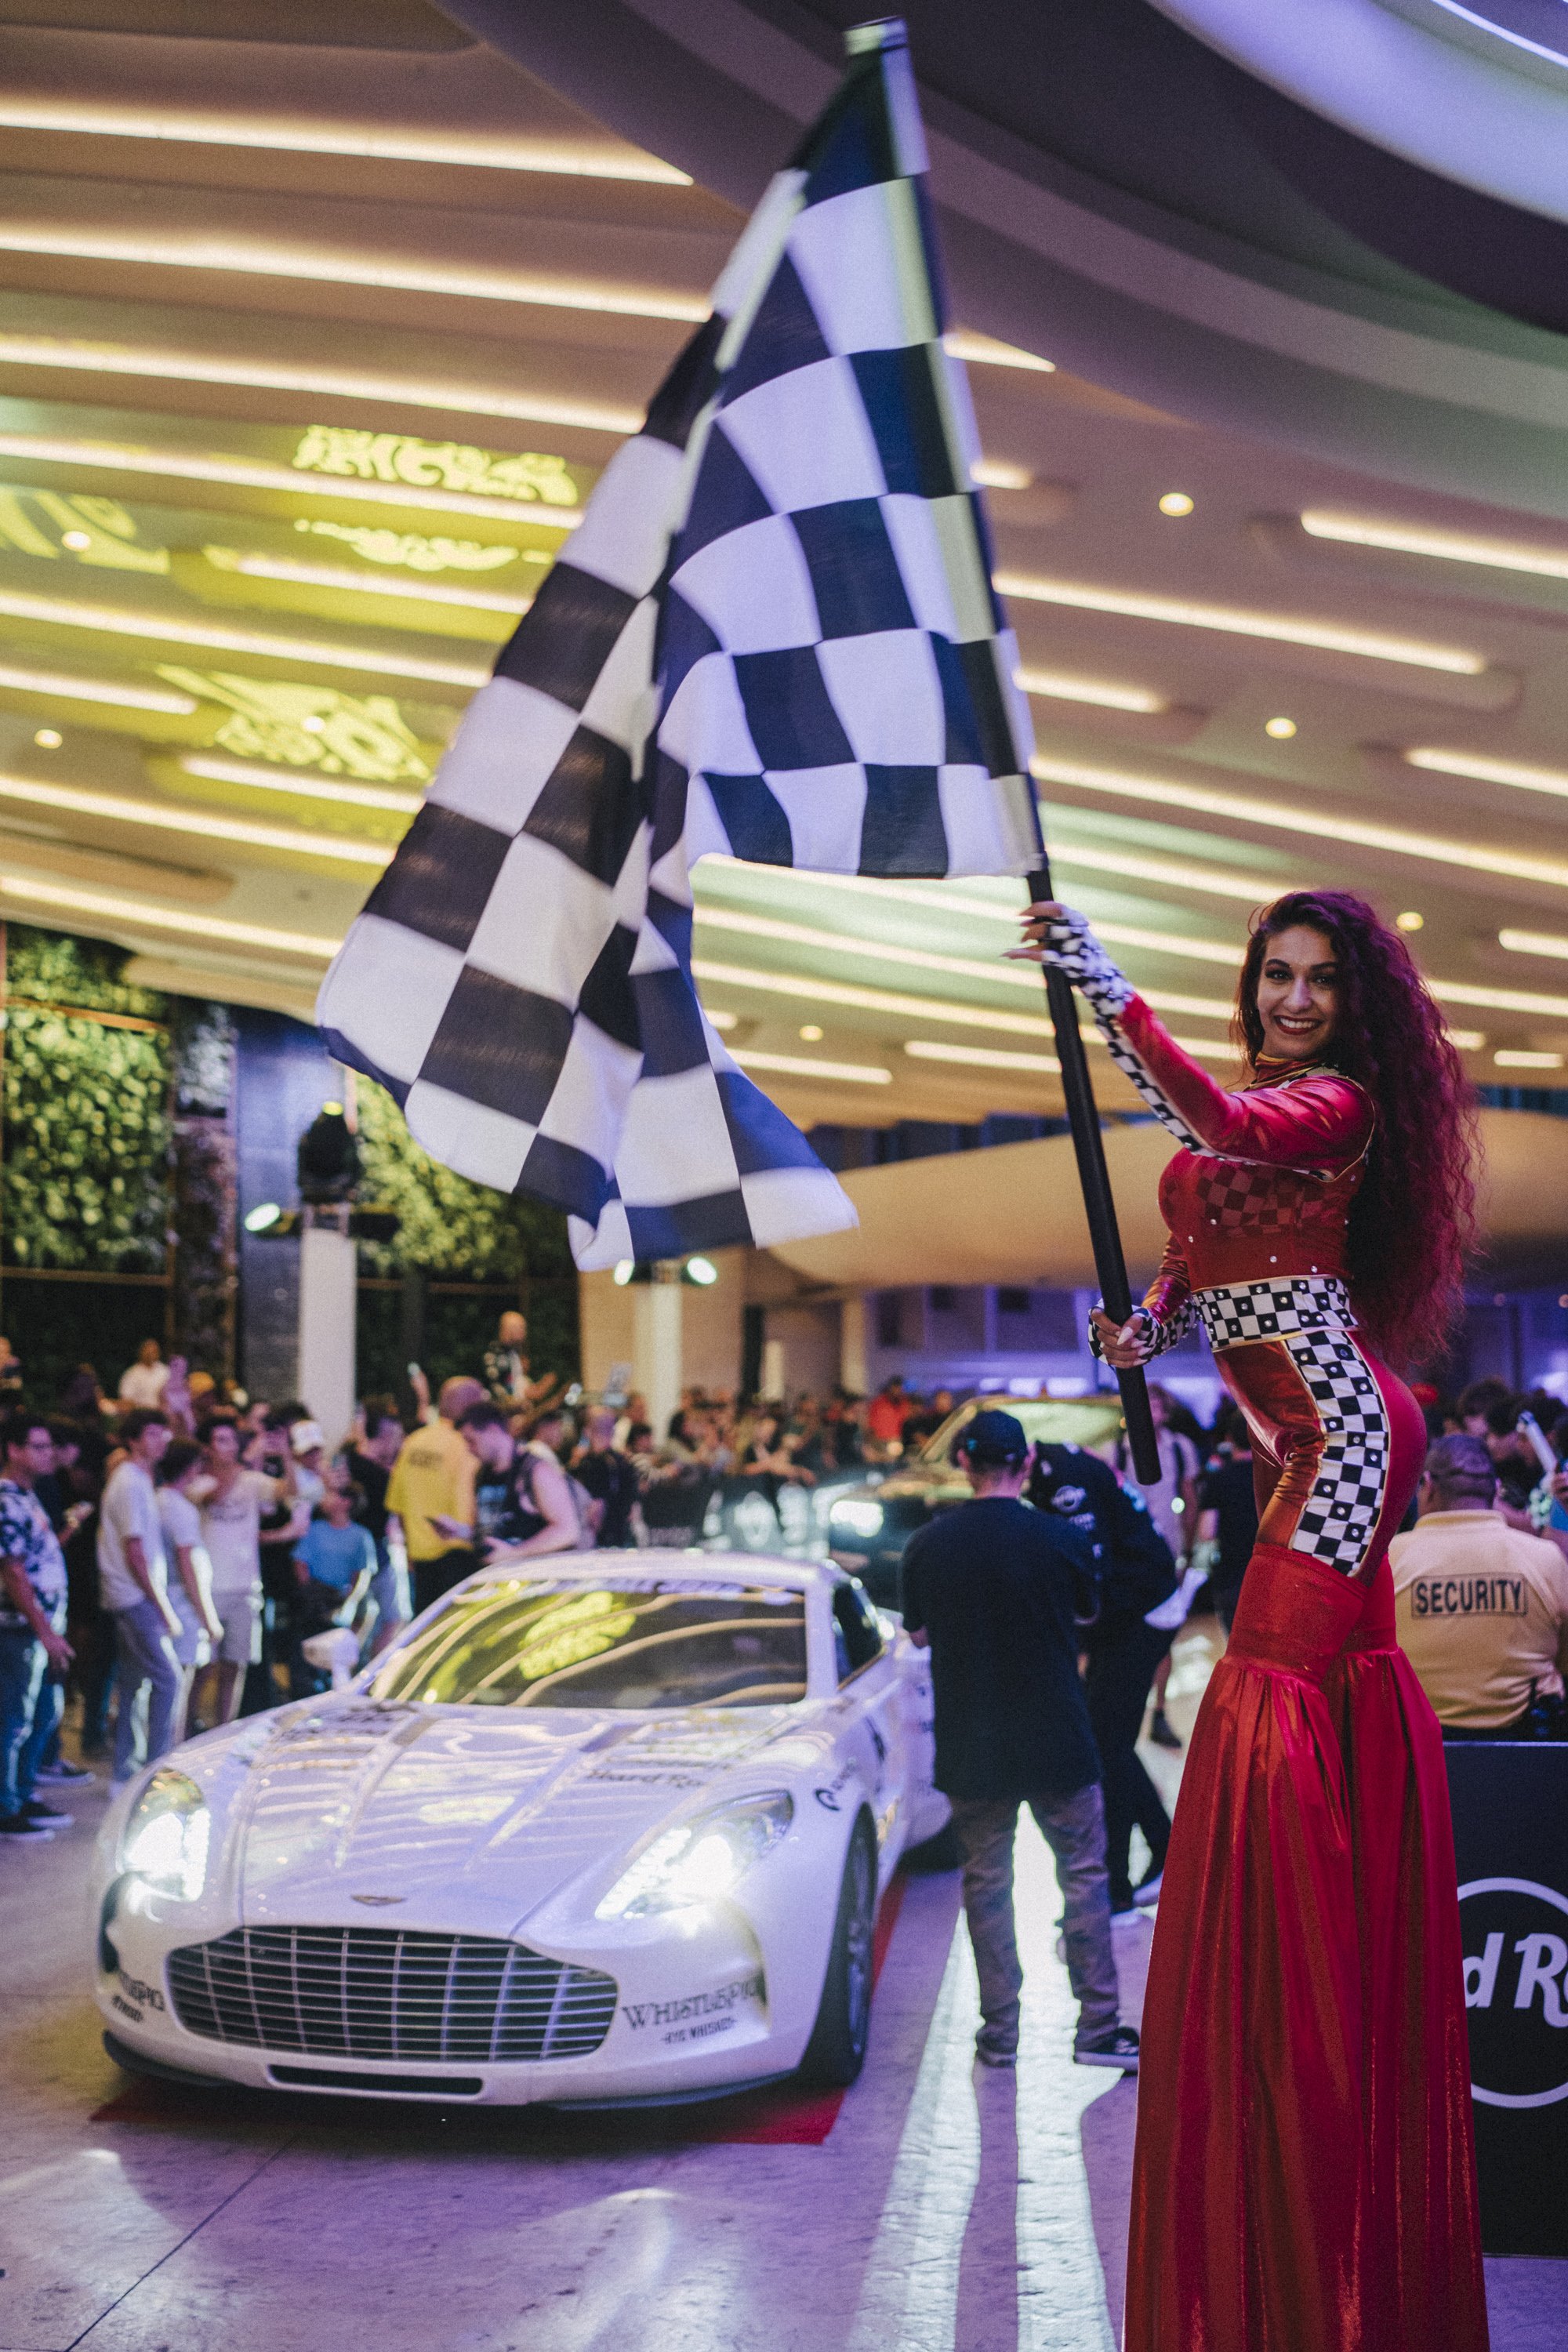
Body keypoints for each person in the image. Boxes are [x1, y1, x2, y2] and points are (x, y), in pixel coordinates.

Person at [1018, 888, 1485, 2349]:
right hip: (1297, 1442)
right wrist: (1143, 1333)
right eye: (1275, 976)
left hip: (1348, 1442)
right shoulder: (1262, 1107)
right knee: (1270, 1690)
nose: (1292, 999)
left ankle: (1303, 2047)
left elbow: (1222, 1130)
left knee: (1282, 1686)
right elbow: (1213, 1259)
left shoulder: (1328, 1103)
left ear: (1355, 1005)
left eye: (1318, 980)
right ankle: (1278, 2049)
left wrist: (1106, 989)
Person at [901, 1409, 1139, 2074]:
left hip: (973, 1741)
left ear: (965, 1465)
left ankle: (999, 2035)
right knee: (1085, 1878)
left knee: (987, 1884)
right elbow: (1089, 1613)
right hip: (1058, 1733)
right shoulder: (1059, 1538)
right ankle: (1097, 2030)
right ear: (1027, 1464)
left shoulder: (929, 1544)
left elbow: (917, 1636)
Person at [1029, 1438, 1178, 1921]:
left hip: (1143, 1611)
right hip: (1132, 1606)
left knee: (1105, 1747)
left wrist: (1069, 1643)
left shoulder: (1062, 1481)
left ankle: (1119, 1883)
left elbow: (1089, 1570)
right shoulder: (1055, 1467)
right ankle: (1161, 1853)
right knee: (1106, 1743)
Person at [1392, 1432, 1568, 1736]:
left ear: (1428, 1486)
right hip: (1531, 1749)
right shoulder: (1546, 1559)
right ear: (1496, 1490)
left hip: (1417, 1752)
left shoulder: (1391, 1560)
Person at [97, 1407, 181, 1783]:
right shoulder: (130, 1482)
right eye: (152, 1433)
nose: (161, 1439)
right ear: (133, 1439)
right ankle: (154, 1772)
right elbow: (134, 1552)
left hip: (131, 1596)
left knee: (135, 1684)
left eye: (163, 1433)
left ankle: (126, 1775)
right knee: (169, 1679)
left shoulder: (136, 1478)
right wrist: (162, 1605)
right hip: (134, 1597)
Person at [0, 1415, 73, 1839]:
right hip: (19, 1629)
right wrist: (44, 1629)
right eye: (40, 1447)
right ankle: (6, 1807)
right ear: (14, 1450)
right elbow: (11, 1570)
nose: (50, 1455)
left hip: (40, 1625)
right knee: (14, 1717)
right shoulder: (7, 1499)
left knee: (43, 1712)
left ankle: (22, 1795)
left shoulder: (26, 1496)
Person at [194, 1409, 281, 1726]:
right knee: (202, 1669)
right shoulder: (197, 1483)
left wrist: (285, 1451)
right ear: (207, 1447)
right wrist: (243, 1463)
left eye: (231, 1440)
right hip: (208, 1590)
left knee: (236, 1666)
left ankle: (224, 1730)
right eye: (220, 1440)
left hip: (245, 1589)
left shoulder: (252, 1481)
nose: (227, 1446)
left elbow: (290, 1492)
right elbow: (215, 1500)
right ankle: (187, 1728)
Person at [386, 1377, 485, 1615]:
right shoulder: (468, 1444)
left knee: (428, 1635)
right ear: (469, 1404)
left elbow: (398, 1505)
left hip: (420, 1559)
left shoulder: (412, 1442)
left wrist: (411, 1546)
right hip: (461, 1555)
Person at [448, 1402, 580, 1558]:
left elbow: (568, 1531)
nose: (469, 1448)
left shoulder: (535, 1470)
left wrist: (515, 1552)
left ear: (493, 1430)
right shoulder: (482, 1475)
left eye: (471, 1440)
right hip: (500, 1576)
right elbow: (491, 1531)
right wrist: (459, 1531)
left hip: (534, 1576)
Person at [156, 1439, 223, 1742]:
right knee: (178, 1687)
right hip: (181, 1605)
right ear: (191, 1468)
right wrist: (208, 1617)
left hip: (168, 1601)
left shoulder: (158, 1499)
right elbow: (188, 1565)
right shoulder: (180, 1508)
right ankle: (171, 1752)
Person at [292, 1465, 376, 1685]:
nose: (326, 1499)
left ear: (347, 1502)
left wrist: (349, 1603)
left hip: (340, 1600)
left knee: (339, 1661)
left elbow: (362, 1574)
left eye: (334, 1495)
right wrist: (309, 1592)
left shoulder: (360, 1536)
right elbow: (301, 1562)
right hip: (315, 1600)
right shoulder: (315, 1528)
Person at [347, 1399, 408, 1654]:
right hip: (377, 1555)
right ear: (386, 1435)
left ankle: (344, 1673)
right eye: (396, 1437)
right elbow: (398, 1517)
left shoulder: (347, 1462)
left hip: (347, 1554)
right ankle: (371, 1676)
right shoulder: (385, 1479)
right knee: (395, 1618)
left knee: (358, 1618)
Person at [1193, 1407, 1259, 1633]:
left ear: (1229, 1439)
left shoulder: (1219, 1479)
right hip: (1271, 1575)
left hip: (1232, 1578)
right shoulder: (1276, 1479)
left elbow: (1206, 1531)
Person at [572, 1407, 639, 1548]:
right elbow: (633, 1510)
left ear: (587, 1431)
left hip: (599, 1545)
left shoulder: (592, 1464)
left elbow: (596, 1512)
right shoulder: (625, 1463)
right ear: (613, 1431)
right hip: (621, 1540)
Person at [482, 1310, 557, 1413]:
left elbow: (517, 1387)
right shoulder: (492, 1355)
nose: (524, 1333)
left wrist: (539, 1388)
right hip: (500, 1416)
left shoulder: (514, 1354)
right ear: (508, 1330)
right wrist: (516, 1403)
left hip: (516, 1414)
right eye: (521, 1328)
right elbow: (495, 1388)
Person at [118, 1339, 169, 1410]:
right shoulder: (132, 1374)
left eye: (153, 1352)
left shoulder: (165, 1372)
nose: (150, 1354)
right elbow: (126, 1399)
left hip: (162, 1413)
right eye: (148, 1352)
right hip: (140, 1413)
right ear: (141, 1352)